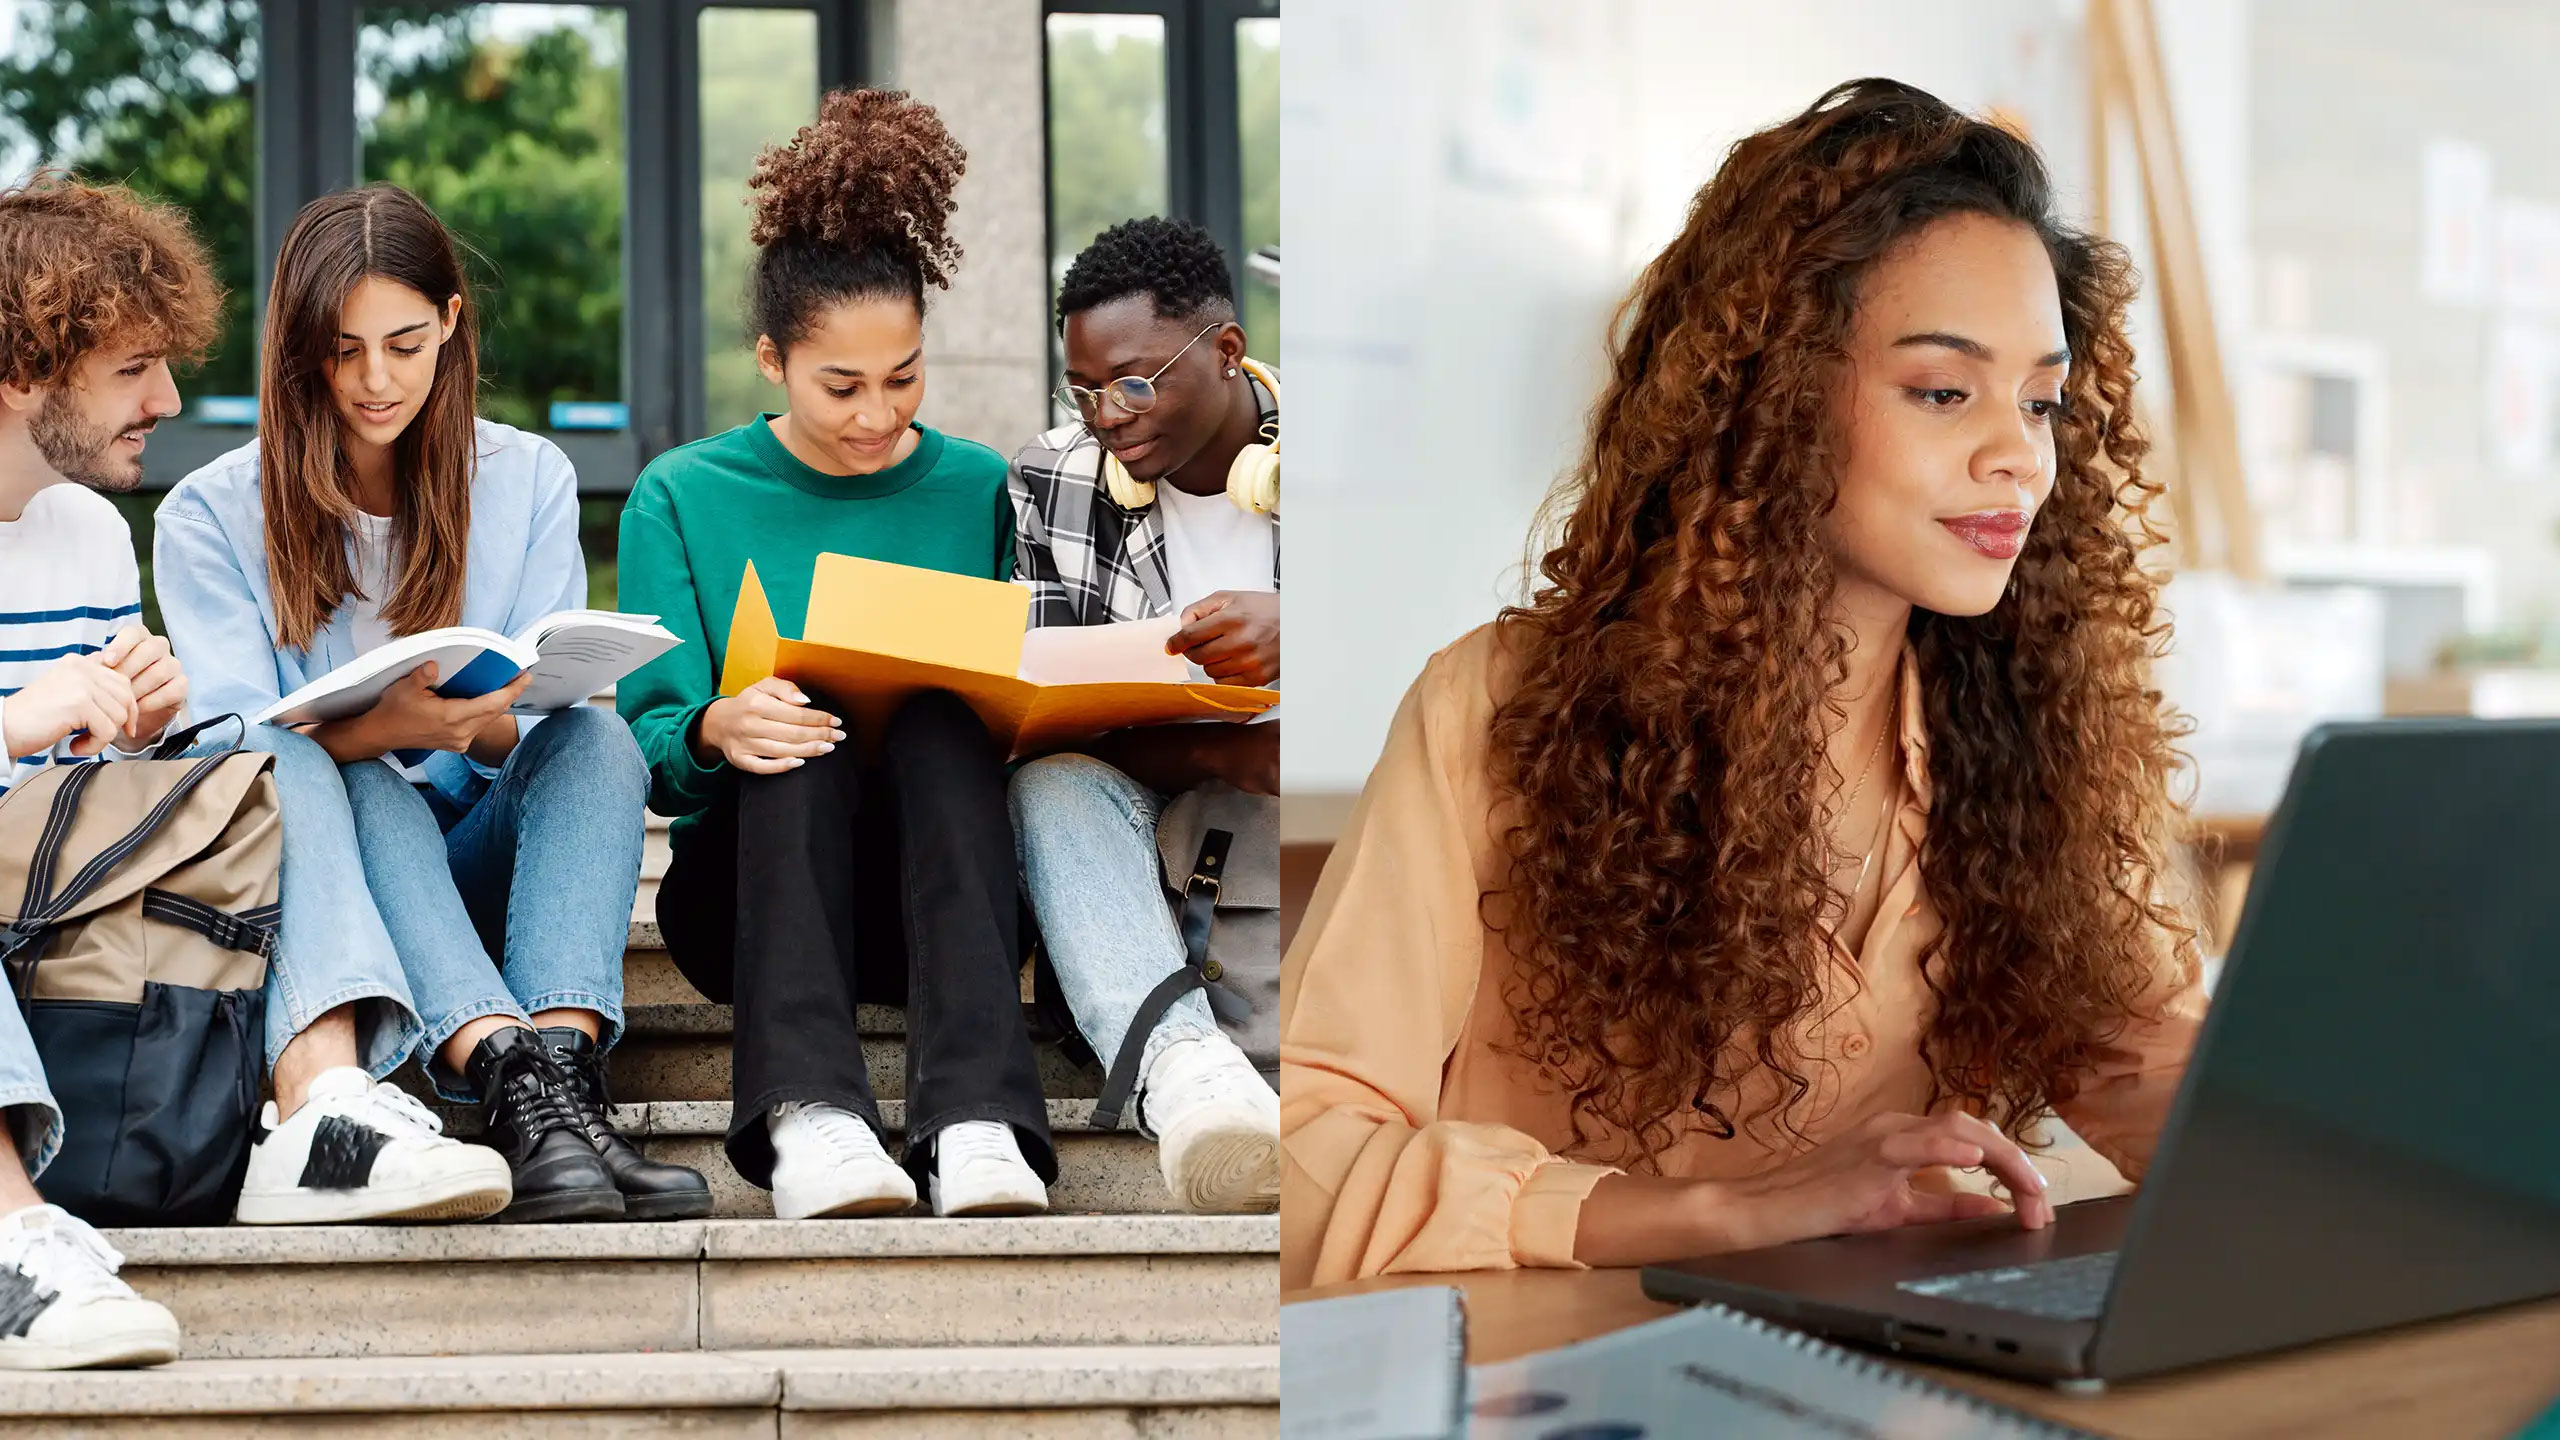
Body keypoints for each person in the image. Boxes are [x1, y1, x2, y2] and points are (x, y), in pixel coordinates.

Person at [1280, 80, 2206, 1289]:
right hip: (1550, 1382)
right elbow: (1302, 1153)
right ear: (1769, 395)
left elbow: (2160, 1075)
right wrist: (1727, 1211)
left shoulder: (2031, 744)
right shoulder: (1497, 710)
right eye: (1942, 390)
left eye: (2040, 401)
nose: (2015, 455)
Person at [0, 175, 517, 1370]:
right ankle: (18, 1234)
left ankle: (322, 1106)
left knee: (251, 752)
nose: (168, 400)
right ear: (26, 368)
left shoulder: (82, 529)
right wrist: (25, 720)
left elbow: (81, 792)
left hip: (58, 900)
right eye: (133, 368)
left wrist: (136, 724)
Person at [154, 184, 708, 1224]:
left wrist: (483, 718)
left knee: (594, 738)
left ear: (451, 326)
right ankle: (507, 1076)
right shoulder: (211, 513)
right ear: (297, 347)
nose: (375, 380)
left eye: (405, 344)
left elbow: (533, 722)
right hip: (337, 891)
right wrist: (386, 728)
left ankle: (562, 1087)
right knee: (346, 770)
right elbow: (236, 750)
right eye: (343, 348)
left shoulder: (526, 475)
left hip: (489, 856)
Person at [616, 89, 1056, 1219]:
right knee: (798, 710)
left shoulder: (973, 487)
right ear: (772, 359)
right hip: (751, 900)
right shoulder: (680, 494)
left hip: (938, 897)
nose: (877, 414)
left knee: (940, 718)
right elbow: (651, 743)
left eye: (904, 376)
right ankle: (811, 1119)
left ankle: (978, 1124)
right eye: (841, 385)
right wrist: (719, 724)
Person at [1006, 217, 1281, 1213]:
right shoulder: (1054, 480)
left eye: (1131, 381)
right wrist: (1229, 748)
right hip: (1160, 809)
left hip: (1338, 816)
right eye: (1082, 390)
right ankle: (1188, 1077)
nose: (1105, 417)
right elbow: (1045, 708)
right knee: (1050, 786)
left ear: (1225, 351)